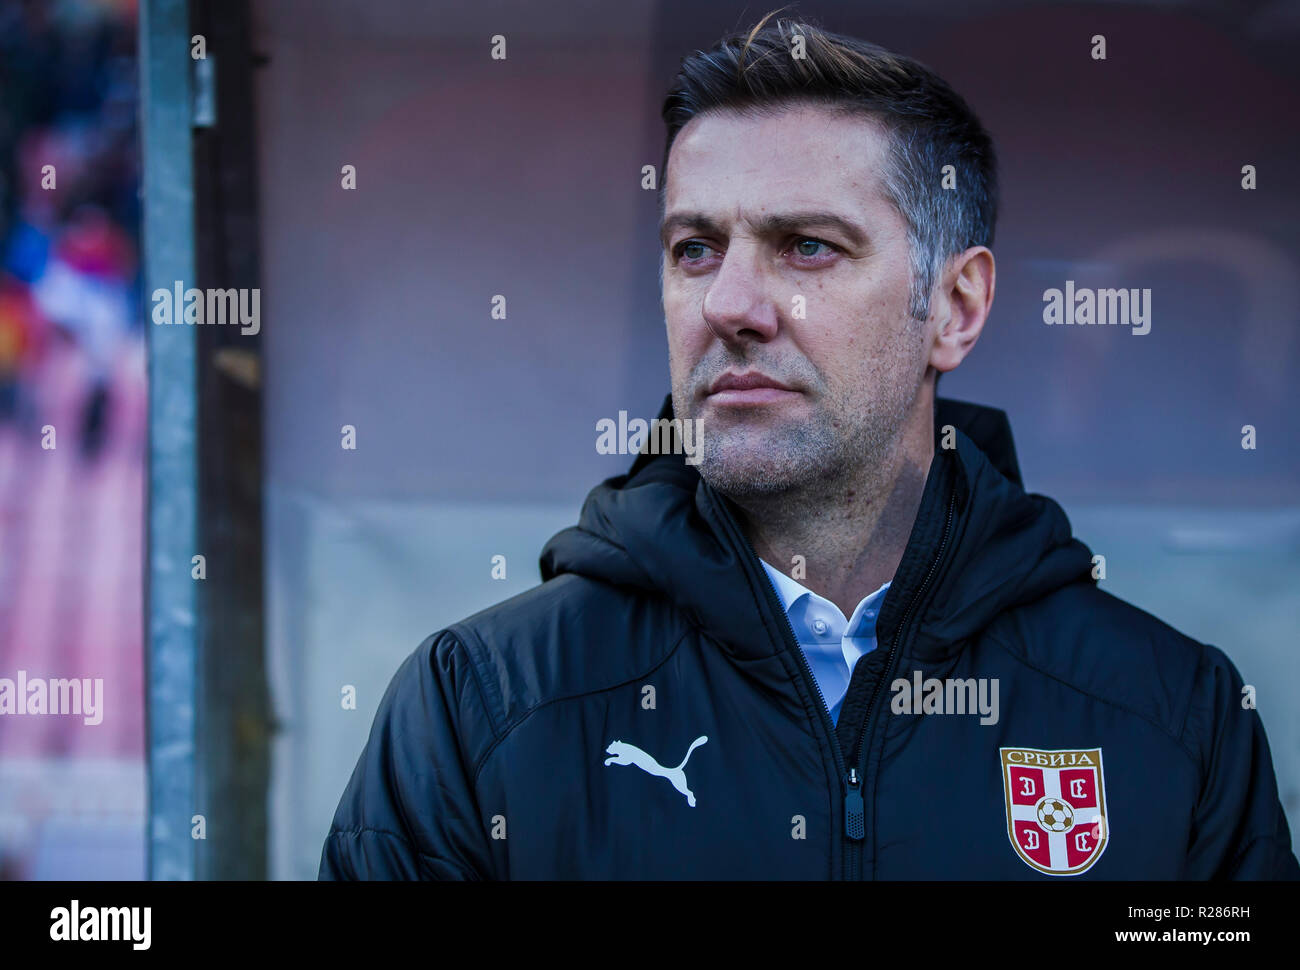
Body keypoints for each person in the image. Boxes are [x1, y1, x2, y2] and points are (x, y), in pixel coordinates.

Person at [320, 13, 1298, 879]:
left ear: (954, 307)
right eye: (694, 249)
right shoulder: (479, 708)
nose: (730, 304)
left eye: (808, 247)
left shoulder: (1171, 718)